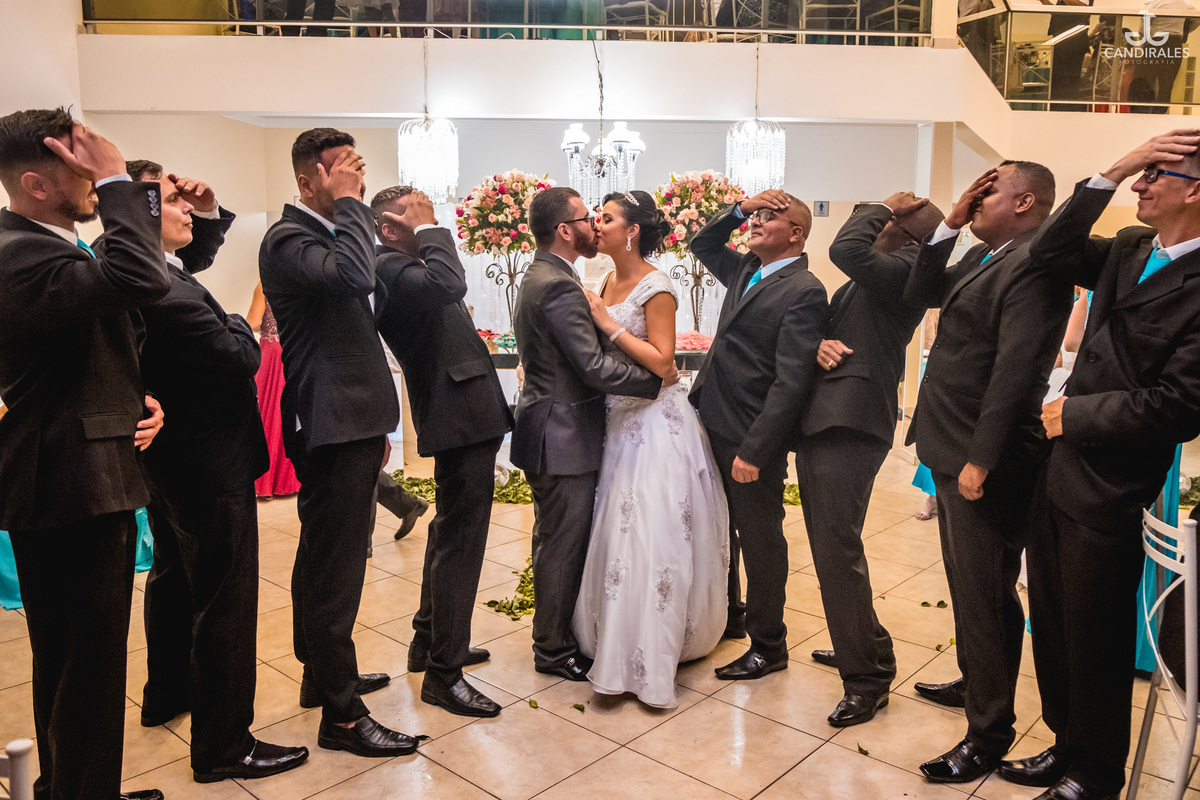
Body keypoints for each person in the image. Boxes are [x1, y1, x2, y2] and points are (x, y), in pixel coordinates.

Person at [1008, 129, 1200, 800]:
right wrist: (1111, 172)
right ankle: (1065, 742)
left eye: (1153, 175)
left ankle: (1095, 771)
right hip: (1056, 469)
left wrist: (1076, 415)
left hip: (1114, 483)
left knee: (1097, 634)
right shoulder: (1129, 247)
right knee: (1054, 622)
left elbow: (1180, 405)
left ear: (1195, 191)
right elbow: (1049, 251)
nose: (1139, 186)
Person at [111, 161, 309, 783]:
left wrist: (209, 211)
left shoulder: (145, 270)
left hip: (171, 457)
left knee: (173, 578)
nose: (186, 211)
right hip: (208, 461)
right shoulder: (164, 292)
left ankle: (167, 691)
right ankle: (225, 745)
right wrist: (240, 320)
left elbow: (192, 256)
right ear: (140, 214)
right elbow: (240, 355)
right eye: (173, 202)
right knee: (225, 599)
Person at [0, 109, 168, 800]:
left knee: (74, 663)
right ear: (37, 184)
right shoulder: (18, 252)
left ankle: (68, 786)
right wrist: (121, 178)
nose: (96, 181)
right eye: (84, 170)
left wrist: (136, 397)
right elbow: (142, 279)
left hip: (82, 468)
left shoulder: (51, 245)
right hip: (68, 481)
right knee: (86, 666)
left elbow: (110, 328)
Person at [903, 161, 1073, 783]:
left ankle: (987, 732)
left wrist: (981, 458)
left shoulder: (1036, 262)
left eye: (987, 190)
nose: (974, 198)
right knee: (972, 587)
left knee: (984, 595)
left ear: (1025, 201)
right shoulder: (986, 253)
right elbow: (919, 293)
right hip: (951, 441)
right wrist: (949, 225)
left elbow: (1016, 370)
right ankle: (979, 679)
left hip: (985, 453)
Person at [259, 128, 415, 757]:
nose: (357, 179)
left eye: (358, 169)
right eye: (342, 171)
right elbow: (353, 277)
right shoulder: (288, 238)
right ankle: (343, 717)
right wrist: (352, 203)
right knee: (337, 567)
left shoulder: (325, 236)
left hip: (351, 419)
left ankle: (321, 676)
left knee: (324, 556)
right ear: (307, 181)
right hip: (332, 421)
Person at [571, 190, 729, 708]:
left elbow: (664, 364)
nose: (597, 224)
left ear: (632, 230)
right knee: (616, 530)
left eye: (607, 218)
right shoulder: (603, 279)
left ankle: (652, 647)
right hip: (616, 420)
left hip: (656, 423)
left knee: (651, 532)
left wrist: (608, 323)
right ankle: (612, 635)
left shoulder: (658, 285)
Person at [800, 193, 945, 727]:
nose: (874, 225)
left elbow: (844, 248)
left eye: (885, 221)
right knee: (832, 546)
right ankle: (866, 645)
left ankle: (867, 679)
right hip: (831, 417)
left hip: (853, 421)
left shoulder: (907, 269)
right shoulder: (884, 271)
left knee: (836, 550)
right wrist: (817, 343)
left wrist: (880, 205)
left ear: (904, 234)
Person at [510, 186, 665, 681]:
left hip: (552, 428)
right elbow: (593, 368)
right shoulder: (557, 284)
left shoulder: (548, 273)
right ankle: (552, 650)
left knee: (553, 539)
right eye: (585, 218)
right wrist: (656, 381)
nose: (593, 225)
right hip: (562, 434)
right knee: (561, 544)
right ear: (564, 230)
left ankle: (555, 635)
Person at [370, 185, 512, 717]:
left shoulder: (410, 267)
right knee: (461, 543)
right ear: (390, 228)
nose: (432, 220)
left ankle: (428, 642)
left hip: (466, 411)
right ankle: (444, 674)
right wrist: (431, 229)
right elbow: (450, 281)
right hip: (458, 415)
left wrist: (425, 230)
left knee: (449, 531)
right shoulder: (388, 267)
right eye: (418, 214)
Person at [689, 190, 829, 681]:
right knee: (719, 526)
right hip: (712, 417)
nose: (757, 222)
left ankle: (769, 645)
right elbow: (702, 244)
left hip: (750, 433)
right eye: (755, 216)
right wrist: (738, 209)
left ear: (795, 233)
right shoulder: (748, 269)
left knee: (760, 539)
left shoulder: (804, 289)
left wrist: (755, 451)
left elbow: (791, 382)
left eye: (769, 217)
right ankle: (731, 614)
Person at [247, 283, 302, 498]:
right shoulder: (300, 280)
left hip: (273, 355)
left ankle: (266, 481)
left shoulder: (265, 284)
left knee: (268, 414)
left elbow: (253, 321)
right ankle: (289, 480)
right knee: (290, 415)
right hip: (295, 350)